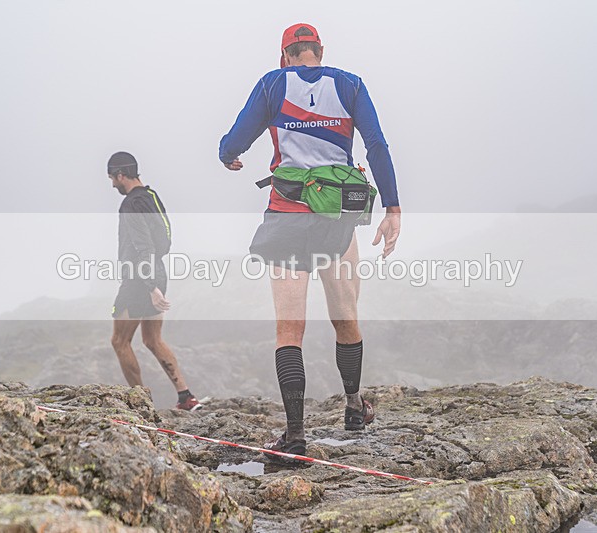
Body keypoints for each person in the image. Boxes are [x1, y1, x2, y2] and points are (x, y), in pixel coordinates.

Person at [219, 24, 400, 459]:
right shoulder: (350, 84)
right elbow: (375, 144)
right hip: (336, 221)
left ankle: (296, 434)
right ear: (320, 51)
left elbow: (233, 141)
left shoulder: (273, 83)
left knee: (289, 329)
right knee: (346, 316)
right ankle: (355, 408)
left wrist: (229, 156)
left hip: (287, 215)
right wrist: (393, 208)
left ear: (286, 55)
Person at [107, 151, 203, 411]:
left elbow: (143, 246)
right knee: (152, 339)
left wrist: (149, 286)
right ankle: (186, 397)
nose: (112, 184)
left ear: (120, 175)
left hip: (139, 278)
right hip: (157, 271)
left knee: (119, 341)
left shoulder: (130, 205)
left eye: (112, 179)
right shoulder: (152, 196)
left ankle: (140, 404)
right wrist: (156, 280)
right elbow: (164, 240)